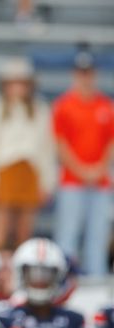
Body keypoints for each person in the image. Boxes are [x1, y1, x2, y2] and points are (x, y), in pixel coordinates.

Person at [0, 58, 55, 250]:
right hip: (5, 172)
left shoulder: (39, 109)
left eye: (22, 83)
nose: (17, 88)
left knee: (24, 233)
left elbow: (46, 149)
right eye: (13, 83)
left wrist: (47, 183)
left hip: (29, 172)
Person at [53, 51, 114, 277]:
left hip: (100, 179)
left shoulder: (106, 106)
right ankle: (64, 277)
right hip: (72, 179)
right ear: (75, 75)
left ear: (95, 74)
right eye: (81, 73)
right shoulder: (64, 105)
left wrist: (99, 169)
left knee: (97, 233)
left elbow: (111, 142)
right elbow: (60, 143)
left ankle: (96, 278)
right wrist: (82, 170)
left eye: (89, 73)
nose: (85, 77)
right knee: (68, 232)